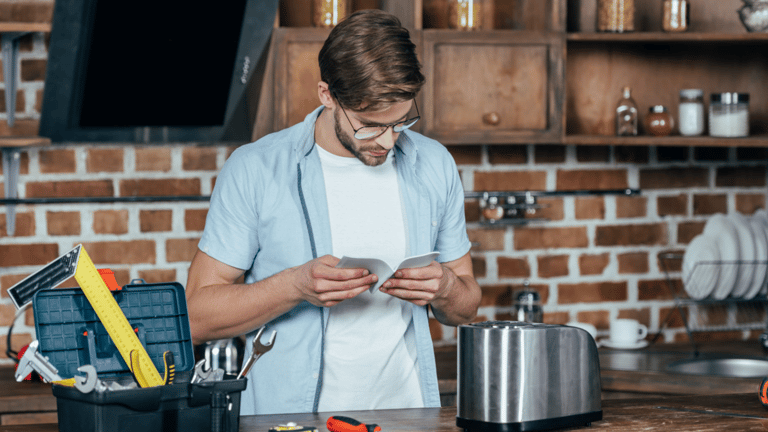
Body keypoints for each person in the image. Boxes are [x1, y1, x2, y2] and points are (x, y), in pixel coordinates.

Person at [186, 9, 481, 415]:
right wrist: (293, 286)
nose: (389, 141)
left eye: (401, 123)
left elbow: (465, 308)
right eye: (370, 125)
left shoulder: (434, 164)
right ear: (327, 95)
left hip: (410, 418)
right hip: (288, 421)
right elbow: (196, 316)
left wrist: (446, 288)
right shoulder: (256, 168)